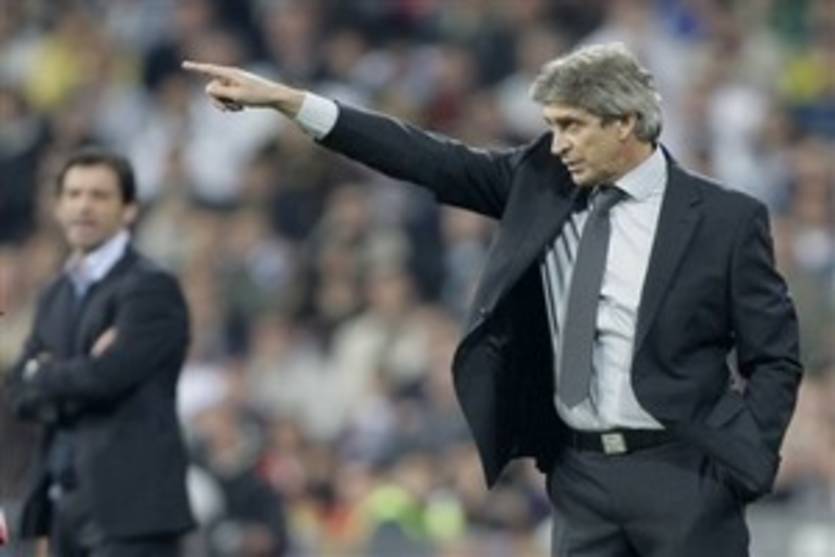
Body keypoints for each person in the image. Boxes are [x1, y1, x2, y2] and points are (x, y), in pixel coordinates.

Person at [183, 42, 802, 556]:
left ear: (626, 124)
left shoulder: (725, 219)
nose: (557, 144)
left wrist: (743, 461)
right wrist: (292, 103)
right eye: (552, 126)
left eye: (572, 126)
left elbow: (774, 355)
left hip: (684, 472)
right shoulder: (540, 184)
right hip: (580, 476)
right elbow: (424, 157)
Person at [5, 149, 194, 556]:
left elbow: (108, 378)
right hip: (61, 509)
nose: (84, 206)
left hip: (132, 513)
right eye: (73, 194)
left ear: (129, 209)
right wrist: (76, 370)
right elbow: (19, 392)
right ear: (58, 207)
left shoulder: (151, 288)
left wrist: (46, 374)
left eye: (99, 195)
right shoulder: (55, 293)